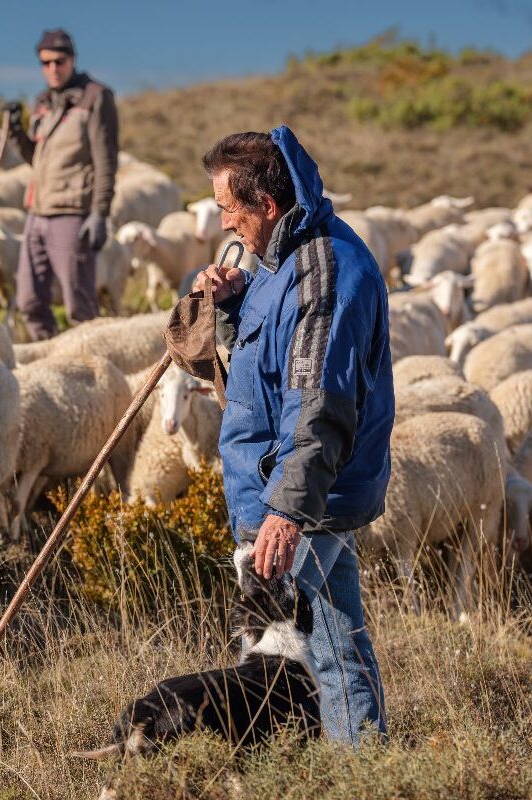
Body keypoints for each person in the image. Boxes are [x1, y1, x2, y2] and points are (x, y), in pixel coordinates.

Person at [193, 126, 392, 745]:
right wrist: (231, 302)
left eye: (230, 209)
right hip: (289, 488)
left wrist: (286, 511)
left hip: (301, 496)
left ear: (267, 206)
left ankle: (349, 766)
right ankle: (365, 762)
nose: (226, 225)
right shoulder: (281, 265)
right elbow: (272, 361)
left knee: (305, 649)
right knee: (336, 638)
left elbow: (318, 405)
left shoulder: (323, 273)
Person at [6, 28, 118, 341]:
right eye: (46, 63)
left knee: (79, 306)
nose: (53, 69)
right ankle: (52, 363)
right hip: (37, 212)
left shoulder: (96, 97)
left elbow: (106, 160)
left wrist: (100, 213)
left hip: (73, 212)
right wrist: (15, 130)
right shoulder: (42, 102)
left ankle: (90, 371)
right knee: (29, 300)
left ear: (72, 60)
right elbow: (37, 158)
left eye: (59, 61)